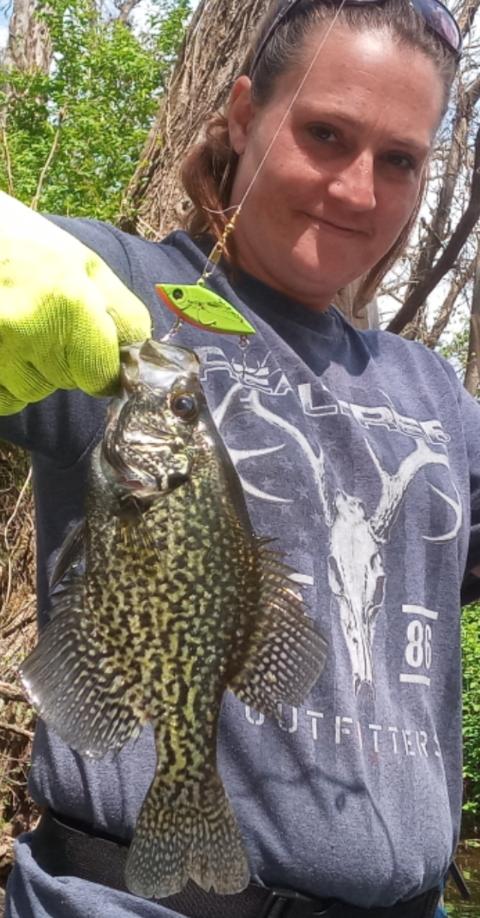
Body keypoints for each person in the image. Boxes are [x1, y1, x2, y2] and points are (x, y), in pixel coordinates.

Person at [0, 0, 477, 915]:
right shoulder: (123, 291)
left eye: (400, 160)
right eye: (326, 133)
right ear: (244, 112)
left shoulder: (435, 394)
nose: (356, 191)